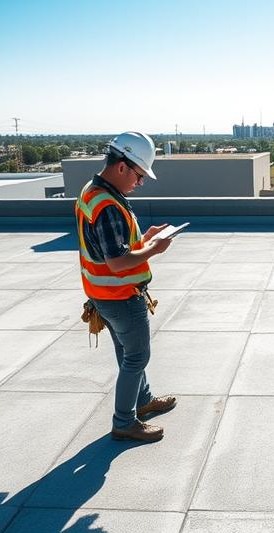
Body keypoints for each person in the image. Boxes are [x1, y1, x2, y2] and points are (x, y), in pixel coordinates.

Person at [75, 131, 176, 442]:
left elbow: (110, 248)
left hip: (104, 294)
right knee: (136, 357)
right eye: (139, 175)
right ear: (122, 167)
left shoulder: (93, 193)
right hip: (120, 296)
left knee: (127, 352)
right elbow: (118, 263)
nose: (140, 182)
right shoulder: (106, 204)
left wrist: (145, 238)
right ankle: (124, 421)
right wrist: (154, 250)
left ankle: (142, 401)